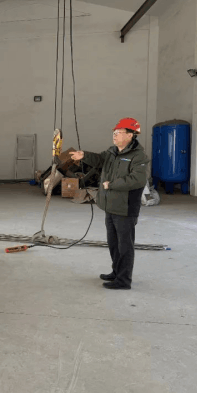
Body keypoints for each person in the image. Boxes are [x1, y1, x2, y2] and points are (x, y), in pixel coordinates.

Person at [70, 117, 149, 290]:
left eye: (119, 132)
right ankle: (116, 272)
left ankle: (124, 280)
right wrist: (84, 155)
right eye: (114, 132)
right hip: (110, 206)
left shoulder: (139, 156)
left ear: (130, 135)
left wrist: (112, 184)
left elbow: (137, 179)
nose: (115, 135)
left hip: (125, 208)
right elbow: (100, 159)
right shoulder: (112, 152)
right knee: (113, 243)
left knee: (125, 245)